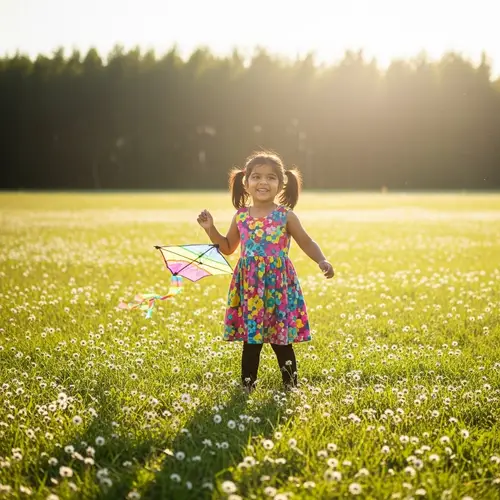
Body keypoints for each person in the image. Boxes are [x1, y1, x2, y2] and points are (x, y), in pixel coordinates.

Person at [197, 151, 334, 391]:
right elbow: (228, 247)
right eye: (257, 177)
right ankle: (247, 385)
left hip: (277, 286)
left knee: (281, 340)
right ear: (246, 182)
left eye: (271, 178)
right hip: (250, 286)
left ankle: (290, 385)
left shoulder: (285, 216)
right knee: (252, 340)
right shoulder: (241, 216)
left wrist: (321, 260)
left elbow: (306, 241)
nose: (263, 182)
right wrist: (210, 229)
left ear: (281, 184)